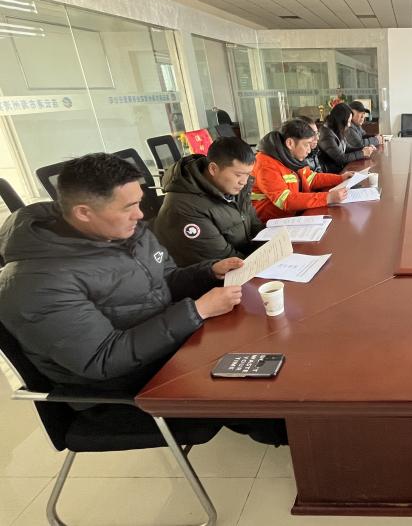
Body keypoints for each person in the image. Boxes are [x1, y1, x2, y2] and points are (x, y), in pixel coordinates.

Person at [0, 153, 286, 444]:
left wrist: (208, 271)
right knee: (262, 392)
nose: (140, 215)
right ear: (84, 212)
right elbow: (103, 359)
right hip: (123, 390)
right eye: (129, 207)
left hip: (167, 348)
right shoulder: (36, 283)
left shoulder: (123, 231)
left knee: (267, 344)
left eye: (138, 202)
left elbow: (165, 281)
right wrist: (197, 311)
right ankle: (290, 435)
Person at [154, 137, 263, 267]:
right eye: (238, 175)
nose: (244, 182)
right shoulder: (184, 207)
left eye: (248, 174)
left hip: (242, 261)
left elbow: (255, 227)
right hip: (211, 275)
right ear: (213, 169)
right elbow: (223, 260)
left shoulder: (232, 188)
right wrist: (262, 262)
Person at [251, 118, 353, 221]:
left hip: (296, 216)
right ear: (290, 143)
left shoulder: (292, 157)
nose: (309, 150)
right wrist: (327, 198)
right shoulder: (265, 164)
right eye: (306, 144)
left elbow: (312, 178)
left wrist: (340, 178)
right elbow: (286, 200)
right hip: (273, 223)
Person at [317, 103, 375, 173]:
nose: (349, 125)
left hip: (342, 169)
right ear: (341, 120)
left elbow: (347, 148)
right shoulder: (326, 133)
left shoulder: (337, 129)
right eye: (348, 121)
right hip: (333, 173)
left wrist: (364, 148)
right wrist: (362, 153)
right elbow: (340, 158)